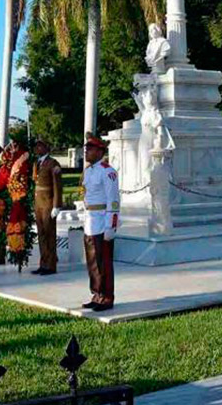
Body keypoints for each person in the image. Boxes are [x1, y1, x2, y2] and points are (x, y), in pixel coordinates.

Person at [81, 133, 120, 312]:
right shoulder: (88, 171)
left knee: (103, 261)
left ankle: (106, 297)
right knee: (92, 261)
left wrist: (111, 225)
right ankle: (96, 294)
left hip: (102, 220)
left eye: (90, 149)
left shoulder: (108, 172)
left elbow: (113, 200)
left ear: (99, 151)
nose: (86, 151)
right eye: (86, 148)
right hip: (90, 220)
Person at [32, 139, 63, 275]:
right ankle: (43, 263)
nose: (37, 149)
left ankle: (51, 265)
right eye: (37, 147)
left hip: (48, 202)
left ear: (47, 148)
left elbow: (57, 185)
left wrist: (56, 205)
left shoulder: (53, 163)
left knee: (49, 233)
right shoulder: (37, 163)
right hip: (39, 203)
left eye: (40, 146)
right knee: (41, 234)